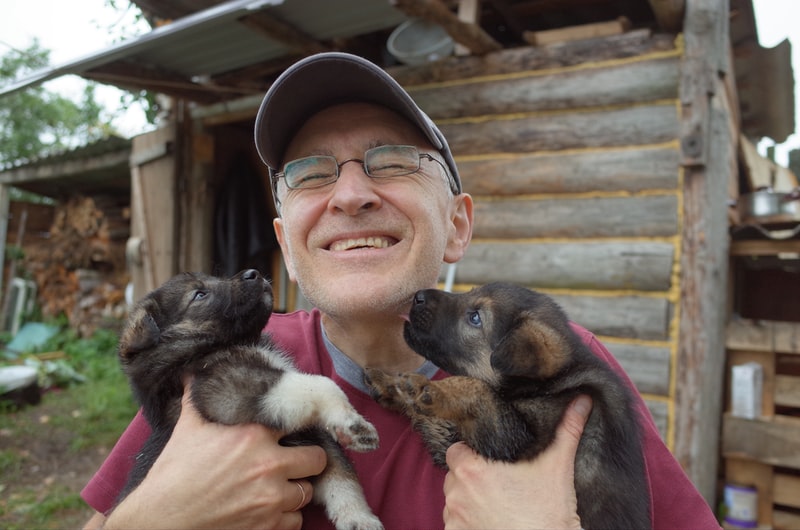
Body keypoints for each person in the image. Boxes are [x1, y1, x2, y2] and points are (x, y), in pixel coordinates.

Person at [82, 52, 720, 529]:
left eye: (391, 161)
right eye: (309, 173)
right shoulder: (223, 364)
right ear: (287, 245)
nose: (352, 194)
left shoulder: (559, 371)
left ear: (457, 226)